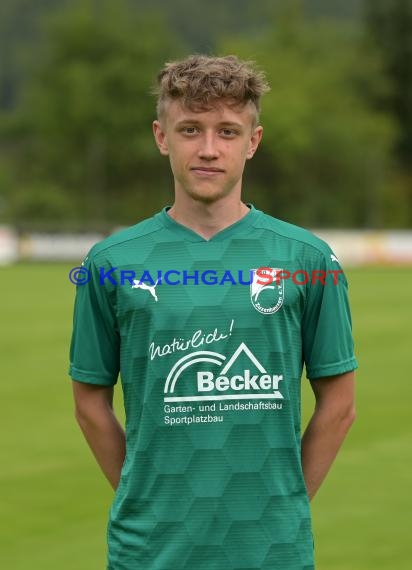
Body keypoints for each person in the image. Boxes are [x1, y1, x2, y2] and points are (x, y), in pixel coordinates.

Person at [69, 54, 357, 570]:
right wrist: (144, 496)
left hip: (273, 552)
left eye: (227, 131)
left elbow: (339, 403)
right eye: (190, 129)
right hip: (149, 552)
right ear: (162, 137)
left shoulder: (309, 260)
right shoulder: (110, 262)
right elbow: (89, 401)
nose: (208, 149)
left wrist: (285, 505)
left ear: (253, 141)